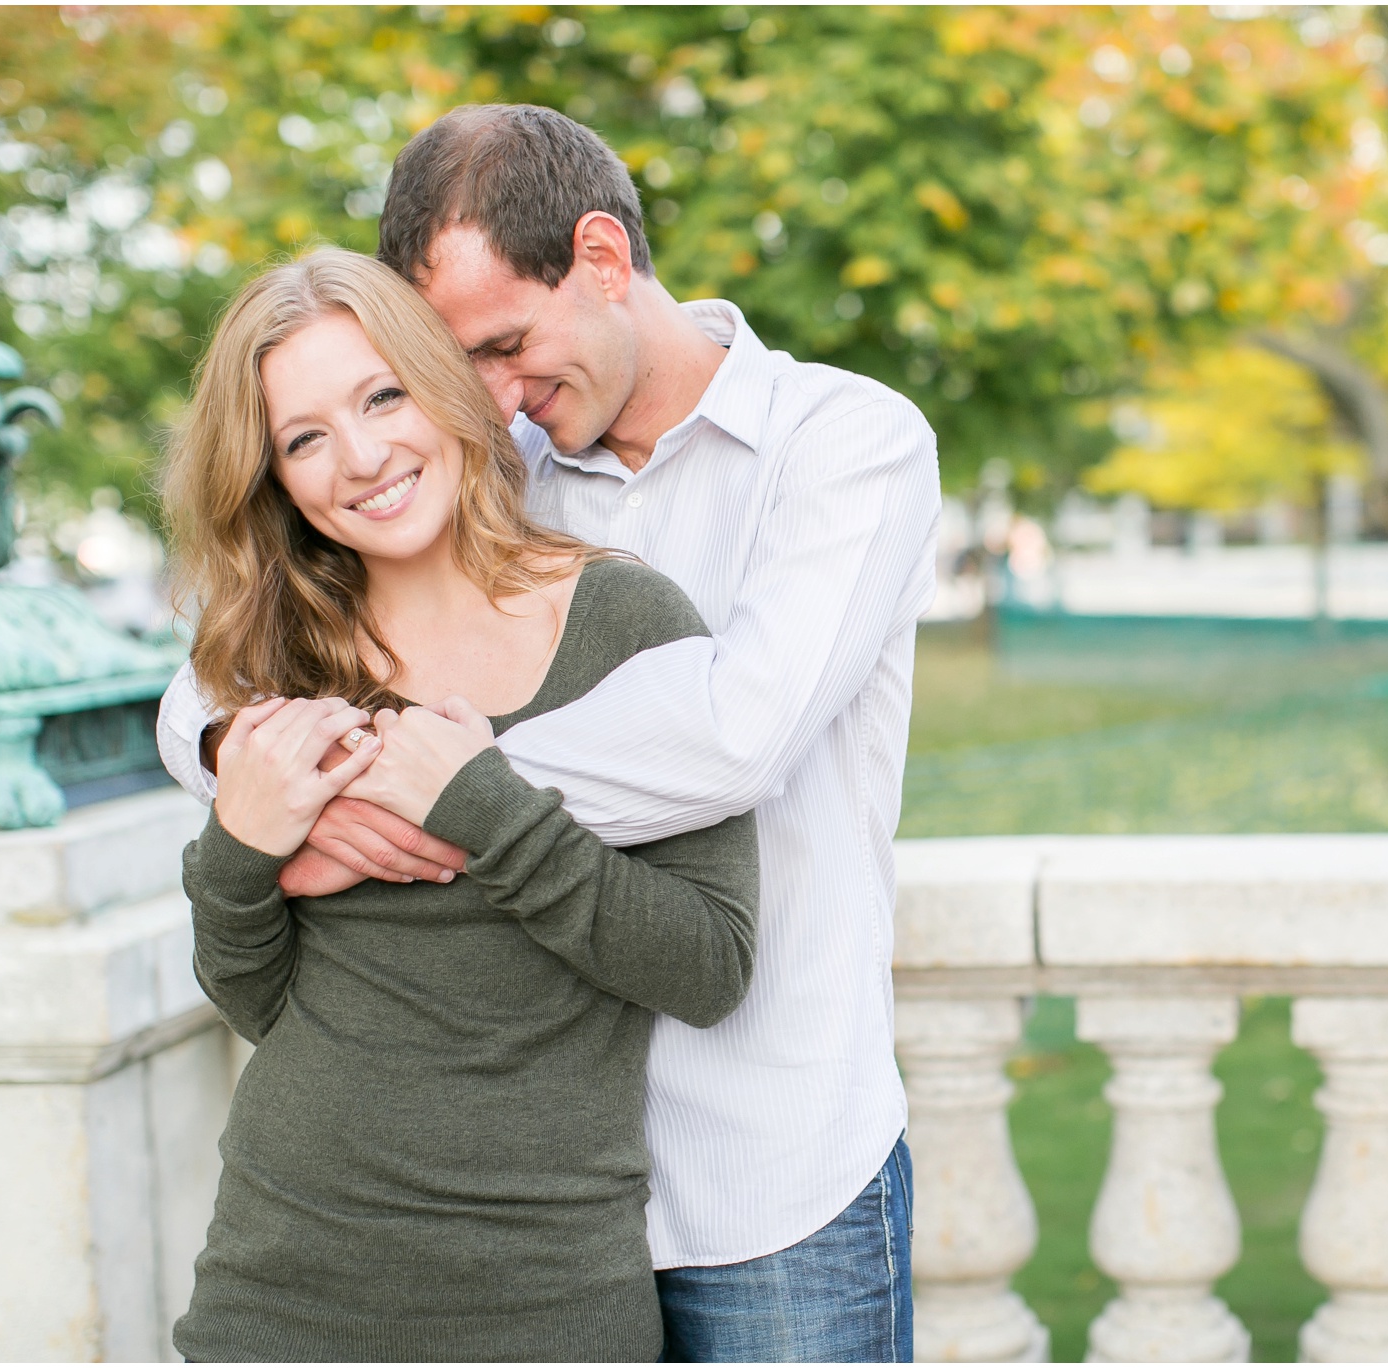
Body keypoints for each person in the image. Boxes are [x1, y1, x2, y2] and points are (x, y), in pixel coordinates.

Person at [158, 103, 940, 1362]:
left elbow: (735, 733)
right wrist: (247, 777)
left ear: (601, 257)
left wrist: (417, 778)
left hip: (763, 1171)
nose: (495, 393)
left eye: (507, 344)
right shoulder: (482, 462)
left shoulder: (842, 445)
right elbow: (218, 676)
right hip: (505, 1204)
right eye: (456, 363)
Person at [163, 247, 758, 1362]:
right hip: (278, 1291)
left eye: (381, 395)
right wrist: (239, 852)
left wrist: (486, 808)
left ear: (445, 387)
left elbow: (709, 966)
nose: (361, 456)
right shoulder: (277, 653)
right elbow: (253, 995)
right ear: (274, 478)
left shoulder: (625, 620)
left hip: (543, 1297)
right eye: (304, 437)